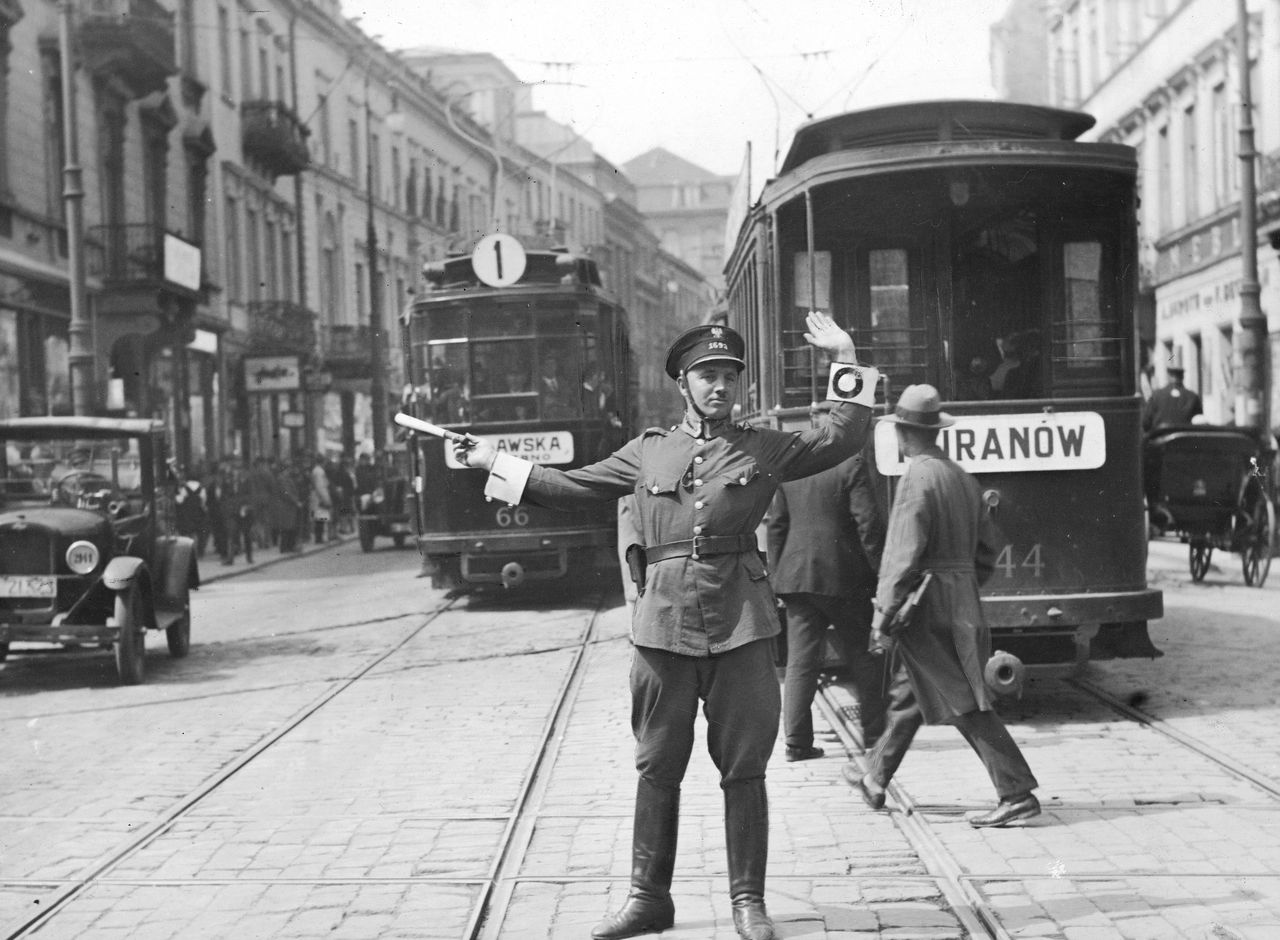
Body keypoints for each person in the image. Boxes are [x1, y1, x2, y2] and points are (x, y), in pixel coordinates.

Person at [450, 314, 877, 940]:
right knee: (657, 764)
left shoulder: (763, 447)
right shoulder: (649, 450)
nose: (719, 387)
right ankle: (649, 898)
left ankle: (748, 903)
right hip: (663, 628)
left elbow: (840, 437)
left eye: (729, 376)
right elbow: (572, 485)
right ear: (683, 382)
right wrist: (495, 459)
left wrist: (844, 354)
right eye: (707, 376)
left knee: (745, 767)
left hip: (742, 626)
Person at [841, 384, 1041, 829]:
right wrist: (963, 584)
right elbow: (988, 550)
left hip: (927, 606)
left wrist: (883, 617)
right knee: (909, 692)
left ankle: (1016, 791)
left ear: (903, 433)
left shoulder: (916, 479)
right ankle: (876, 776)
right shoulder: (961, 477)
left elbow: (900, 556)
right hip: (959, 597)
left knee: (963, 700)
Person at [766, 444, 887, 761]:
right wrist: (880, 573)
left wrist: (777, 578)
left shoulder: (791, 465)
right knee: (863, 655)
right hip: (842, 577)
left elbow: (777, 525)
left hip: (796, 578)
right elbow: (868, 521)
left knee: (800, 661)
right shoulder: (851, 463)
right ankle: (875, 738)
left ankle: (796, 743)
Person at [1142, 360, 1202, 433]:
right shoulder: (1192, 397)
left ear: (1169, 376)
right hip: (1185, 440)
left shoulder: (1156, 395)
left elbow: (1146, 423)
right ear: (1182, 376)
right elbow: (1199, 422)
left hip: (1161, 440)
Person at [309, 453, 332, 543]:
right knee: (320, 518)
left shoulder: (316, 470)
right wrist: (325, 499)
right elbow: (320, 486)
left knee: (320, 518)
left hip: (317, 496)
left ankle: (319, 537)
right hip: (319, 498)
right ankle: (319, 538)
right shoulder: (319, 471)